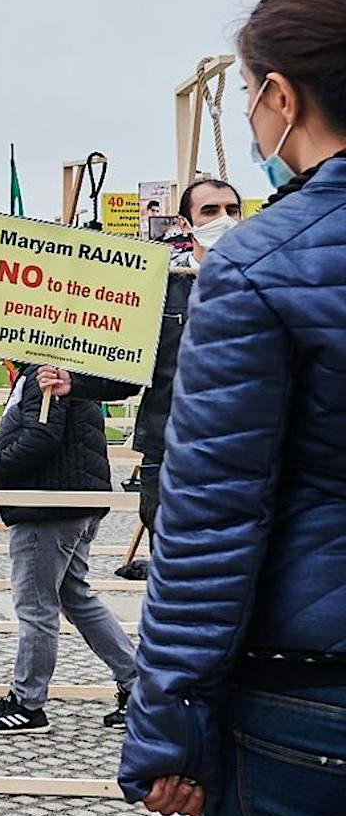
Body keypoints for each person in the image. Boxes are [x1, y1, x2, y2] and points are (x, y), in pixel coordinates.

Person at [121, 0, 346, 816]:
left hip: (308, 708)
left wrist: (167, 729)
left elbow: (210, 521)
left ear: (281, 99)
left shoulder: (257, 264)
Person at [0, 363, 139, 734]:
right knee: (76, 598)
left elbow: (40, 439)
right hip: (71, 501)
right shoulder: (58, 368)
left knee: (37, 605)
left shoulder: (44, 371)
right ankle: (138, 685)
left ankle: (27, 704)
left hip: (48, 507)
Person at [126, 178, 243, 559]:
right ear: (184, 224)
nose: (223, 219)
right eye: (210, 211)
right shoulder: (159, 290)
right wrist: (72, 381)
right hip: (170, 454)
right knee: (175, 566)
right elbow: (126, 371)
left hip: (244, 456)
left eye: (231, 210)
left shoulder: (265, 286)